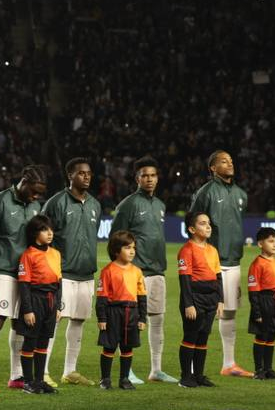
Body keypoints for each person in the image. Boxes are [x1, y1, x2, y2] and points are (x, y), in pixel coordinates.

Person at [0, 165, 46, 392]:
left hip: (26, 275)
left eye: (39, 193)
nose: (36, 196)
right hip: (2, 270)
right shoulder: (0, 202)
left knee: (20, 323)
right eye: (33, 191)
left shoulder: (35, 206)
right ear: (24, 181)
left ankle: (16, 375)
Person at [110, 156, 178, 383]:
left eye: (153, 175)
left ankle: (156, 370)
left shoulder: (160, 205)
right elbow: (116, 239)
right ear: (137, 178)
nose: (149, 179)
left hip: (157, 271)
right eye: (145, 175)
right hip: (135, 272)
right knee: (129, 322)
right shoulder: (128, 205)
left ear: (157, 178)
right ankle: (126, 370)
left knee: (157, 320)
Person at [188, 150, 251, 378]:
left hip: (233, 261)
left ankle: (229, 364)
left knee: (230, 313)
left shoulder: (241, 194)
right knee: (203, 315)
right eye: (224, 161)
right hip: (210, 263)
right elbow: (192, 223)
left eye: (231, 161)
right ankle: (192, 368)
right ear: (213, 168)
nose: (230, 164)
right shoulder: (205, 193)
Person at [42, 158, 101, 387]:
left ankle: (69, 371)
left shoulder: (95, 204)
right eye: (81, 173)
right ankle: (43, 370)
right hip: (62, 273)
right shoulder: (56, 203)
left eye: (89, 173)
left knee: (78, 321)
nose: (86, 177)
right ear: (70, 176)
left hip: (86, 274)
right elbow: (43, 236)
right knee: (54, 321)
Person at [95, 230, 148, 390]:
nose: (132, 251)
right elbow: (101, 297)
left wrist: (142, 318)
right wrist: (102, 318)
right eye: (127, 247)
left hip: (131, 313)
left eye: (133, 248)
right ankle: (105, 379)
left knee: (127, 347)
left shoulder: (137, 271)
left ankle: (124, 379)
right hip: (113, 313)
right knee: (109, 347)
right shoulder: (108, 271)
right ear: (116, 250)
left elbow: (142, 296)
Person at [15, 214, 61, 396]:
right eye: (44, 230)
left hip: (51, 301)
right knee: (30, 340)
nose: (50, 233)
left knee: (43, 341)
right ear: (35, 233)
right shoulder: (28, 255)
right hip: (35, 299)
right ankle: (28, 382)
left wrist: (58, 306)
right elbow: (24, 284)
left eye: (51, 229)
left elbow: (59, 282)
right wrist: (28, 309)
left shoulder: (56, 254)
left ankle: (40, 381)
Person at [177, 212, 223, 389]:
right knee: (191, 336)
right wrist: (189, 304)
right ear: (191, 229)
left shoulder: (213, 250)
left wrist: (220, 300)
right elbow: (185, 279)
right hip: (195, 298)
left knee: (203, 337)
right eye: (203, 223)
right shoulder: (186, 250)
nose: (208, 226)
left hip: (211, 298)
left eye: (208, 223)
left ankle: (198, 375)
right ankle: (185, 377)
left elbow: (218, 277)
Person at [247, 227, 275, 380]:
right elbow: (253, 290)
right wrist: (257, 312)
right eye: (271, 241)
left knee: (271, 336)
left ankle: (269, 369)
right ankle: (259, 370)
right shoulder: (257, 264)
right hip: (264, 301)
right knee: (261, 336)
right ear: (260, 244)